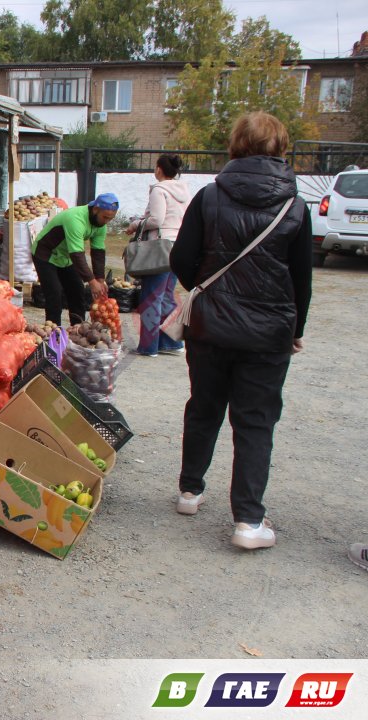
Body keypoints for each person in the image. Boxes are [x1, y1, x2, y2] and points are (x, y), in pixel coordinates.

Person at [169, 111, 312, 550]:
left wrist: (206, 291)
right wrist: (295, 328)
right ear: (280, 148)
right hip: (268, 335)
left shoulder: (210, 197)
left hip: (210, 328)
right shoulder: (296, 205)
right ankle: (248, 522)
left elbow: (180, 257)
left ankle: (190, 491)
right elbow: (301, 277)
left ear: (235, 146)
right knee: (255, 422)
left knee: (204, 406)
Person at [126, 154, 192, 356]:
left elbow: (157, 219)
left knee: (151, 297)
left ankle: (148, 346)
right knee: (166, 296)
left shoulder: (159, 190)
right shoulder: (184, 191)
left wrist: (136, 224)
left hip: (159, 247)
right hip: (177, 245)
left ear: (159, 170)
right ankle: (170, 342)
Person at [30, 193, 116, 326]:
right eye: (105, 217)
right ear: (95, 210)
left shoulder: (101, 225)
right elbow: (77, 254)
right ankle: (54, 333)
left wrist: (100, 279)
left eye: (110, 219)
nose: (106, 222)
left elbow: (98, 252)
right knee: (55, 293)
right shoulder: (75, 218)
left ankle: (79, 330)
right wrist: (92, 282)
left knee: (77, 290)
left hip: (66, 257)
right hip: (45, 254)